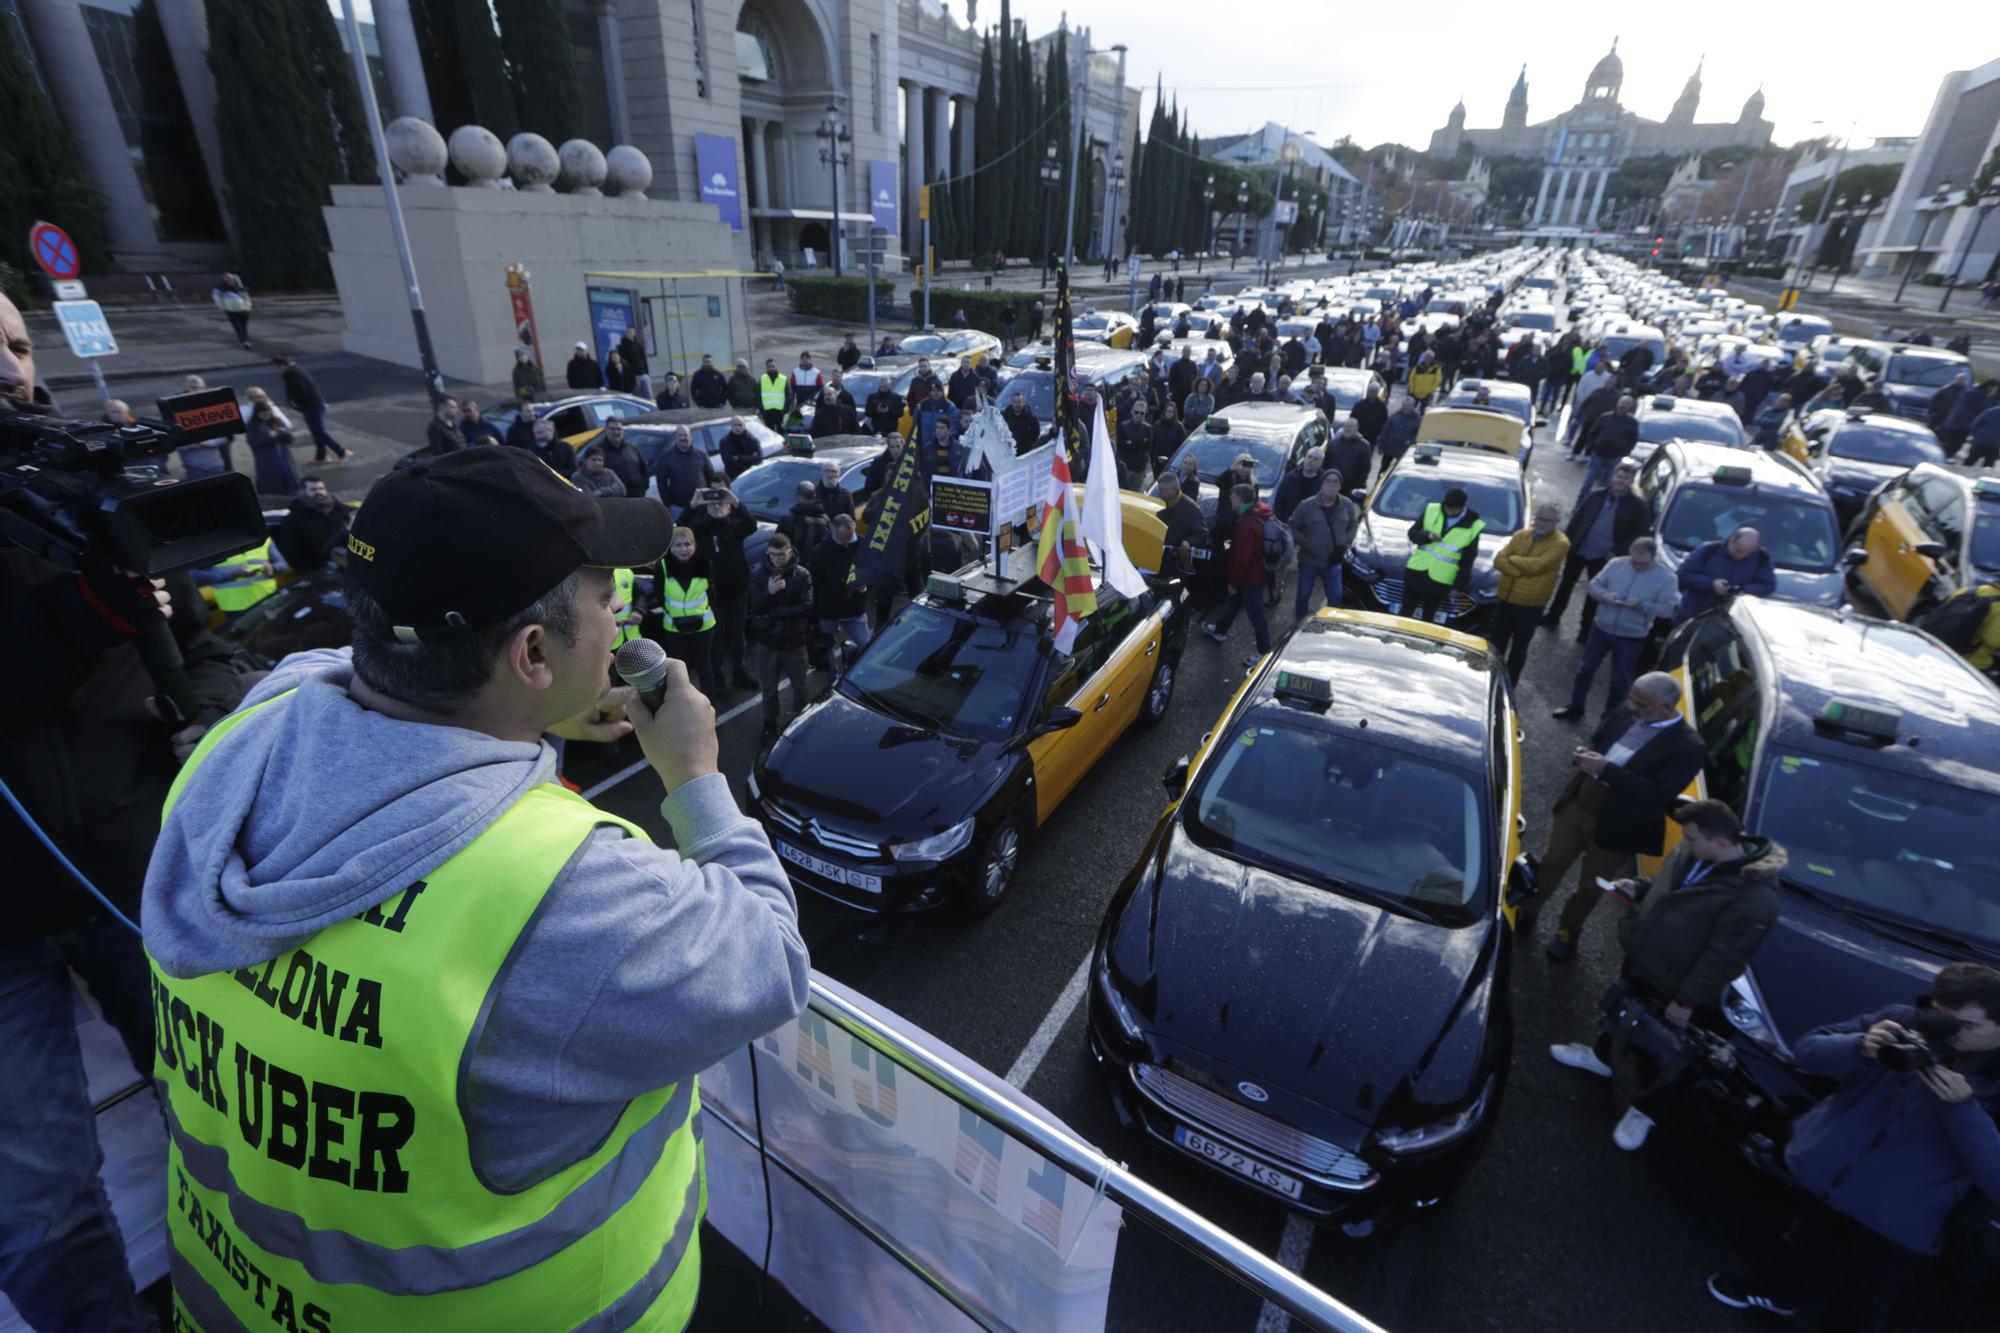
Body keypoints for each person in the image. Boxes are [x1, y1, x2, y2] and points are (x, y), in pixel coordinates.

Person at [140, 447, 808, 1331]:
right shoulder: (573, 895)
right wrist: (693, 775)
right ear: (531, 650)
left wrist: (533, 715)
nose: (623, 616)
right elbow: (771, 960)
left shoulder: (247, 737)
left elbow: (381, 697)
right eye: (607, 597)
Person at [1, 293, 244, 1333]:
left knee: (226, 1115)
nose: (9, 367)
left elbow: (203, 644)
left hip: (138, 877)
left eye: (14, 342)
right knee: (38, 1202)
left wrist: (218, 711)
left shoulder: (80, 490)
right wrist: (78, 622)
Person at [1707, 963, 2000, 1331]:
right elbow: (1807, 1051)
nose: (1946, 1032)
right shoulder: (1902, 1021)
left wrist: (1963, 1110)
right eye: (1939, 1017)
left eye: (1966, 1026)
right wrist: (1861, 1046)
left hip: (1902, 1220)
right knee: (1799, 1245)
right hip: (1833, 1181)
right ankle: (1776, 1294)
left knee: (1865, 1299)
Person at [1549, 799, 1783, 1149]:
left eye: (1691, 839)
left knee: (1666, 1051)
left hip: (1678, 984)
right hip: (1646, 960)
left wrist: (1686, 1000)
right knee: (1622, 1010)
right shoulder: (1699, 851)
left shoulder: (1756, 898)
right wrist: (1640, 887)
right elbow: (1667, 883)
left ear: (1721, 841)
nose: (1684, 844)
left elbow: (1724, 957)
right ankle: (1601, 1058)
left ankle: (1646, 1110)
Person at [1537, 670, 1709, 959]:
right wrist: (1585, 754)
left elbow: (1658, 794)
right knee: (1550, 864)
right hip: (1577, 806)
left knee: (1591, 886)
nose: (1631, 708)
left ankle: (1567, 931)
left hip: (1615, 826)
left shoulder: (1689, 747)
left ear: (1666, 707)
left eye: (1640, 705)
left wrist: (1606, 770)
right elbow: (1599, 738)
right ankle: (1526, 910)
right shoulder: (1631, 710)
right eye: (1631, 700)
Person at [1553, 536, 1679, 722]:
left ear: (1653, 557)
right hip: (1602, 628)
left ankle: (1610, 718)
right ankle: (1576, 706)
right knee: (1585, 670)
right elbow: (1594, 585)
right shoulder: (1616, 564)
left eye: (1642, 564)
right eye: (1634, 561)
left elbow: (1667, 610)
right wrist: (1605, 596)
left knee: (1619, 681)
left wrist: (1642, 606)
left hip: (1632, 636)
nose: (1637, 565)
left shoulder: (1667, 578)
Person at [1546, 462, 1649, 639]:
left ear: (1631, 481)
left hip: (1605, 556)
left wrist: (1617, 551)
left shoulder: (1637, 506)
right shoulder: (1596, 496)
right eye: (1619, 476)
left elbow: (1640, 532)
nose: (1621, 481)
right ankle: (1552, 618)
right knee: (1565, 586)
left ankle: (1585, 630)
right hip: (1580, 549)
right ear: (1613, 476)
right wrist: (1566, 543)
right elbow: (1577, 519)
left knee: (1595, 594)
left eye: (1626, 478)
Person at [1486, 502, 1570, 682]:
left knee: (1518, 649)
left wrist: (1514, 559)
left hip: (1530, 605)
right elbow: (1499, 560)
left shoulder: (1561, 544)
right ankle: (1489, 679)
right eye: (1539, 519)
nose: (1542, 523)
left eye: (1547, 520)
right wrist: (1518, 569)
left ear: (1556, 522)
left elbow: (1537, 566)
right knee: (1495, 645)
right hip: (1506, 599)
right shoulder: (1520, 535)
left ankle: (1510, 684)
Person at [689, 488, 759, 692]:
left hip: (737, 590)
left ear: (728, 507)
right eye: (713, 504)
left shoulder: (735, 526)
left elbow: (752, 524)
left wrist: (736, 501)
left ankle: (739, 671)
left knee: (738, 634)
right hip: (714, 593)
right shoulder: (701, 527)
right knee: (717, 637)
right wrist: (693, 504)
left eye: (721, 504)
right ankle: (718, 675)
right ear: (706, 508)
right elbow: (683, 527)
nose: (717, 507)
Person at [749, 532, 814, 740]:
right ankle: (769, 723)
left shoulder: (802, 575)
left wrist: (775, 613)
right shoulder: (759, 574)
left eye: (780, 554)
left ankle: (800, 719)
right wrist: (769, 592)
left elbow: (806, 606)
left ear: (790, 551)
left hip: (794, 641)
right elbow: (754, 606)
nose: (776, 559)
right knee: (768, 687)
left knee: (800, 685)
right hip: (768, 641)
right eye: (772, 554)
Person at [1203, 483, 1275, 668]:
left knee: (1256, 614)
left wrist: (1234, 582)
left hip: (1250, 577)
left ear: (1241, 500)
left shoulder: (1246, 523)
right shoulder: (1258, 515)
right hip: (1256, 573)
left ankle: (1263, 652)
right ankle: (1219, 630)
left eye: (1233, 497)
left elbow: (1243, 558)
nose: (1231, 500)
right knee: (1234, 603)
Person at [1404, 485, 1485, 625]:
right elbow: (1413, 535)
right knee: (1404, 614)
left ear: (1462, 507)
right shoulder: (1432, 510)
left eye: (1453, 510)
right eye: (1447, 507)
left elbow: (1468, 560)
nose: (1449, 512)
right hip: (1416, 572)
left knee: (1428, 620)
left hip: (1440, 580)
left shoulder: (1473, 525)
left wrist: (1458, 586)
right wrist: (1427, 535)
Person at [650, 524, 716, 695]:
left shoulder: (704, 562)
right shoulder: (663, 567)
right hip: (674, 627)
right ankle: (683, 701)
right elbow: (659, 593)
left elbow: (712, 593)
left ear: (694, 545)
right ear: (671, 548)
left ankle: (710, 702)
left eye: (688, 544)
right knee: (679, 667)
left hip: (704, 626)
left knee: (704, 665)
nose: (684, 549)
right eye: (678, 545)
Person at [1289, 470, 1360, 619]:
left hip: (1333, 562)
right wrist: (1307, 542)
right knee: (1303, 596)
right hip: (1309, 560)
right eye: (1328, 481)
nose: (1332, 485)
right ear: (1321, 484)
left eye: (1336, 482)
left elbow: (1353, 525)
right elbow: (1292, 527)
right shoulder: (1306, 506)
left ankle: (1330, 626)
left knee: (1336, 598)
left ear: (1340, 486)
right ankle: (1299, 625)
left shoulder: (1346, 504)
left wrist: (1345, 541)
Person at [810, 512, 871, 677]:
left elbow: (871, 570)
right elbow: (813, 584)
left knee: (866, 646)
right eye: (844, 537)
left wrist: (866, 585)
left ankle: (857, 672)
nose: (847, 541)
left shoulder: (861, 544)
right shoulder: (820, 553)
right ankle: (833, 678)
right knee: (827, 648)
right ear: (832, 531)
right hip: (829, 611)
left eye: (850, 536)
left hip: (855, 609)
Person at [1674, 526, 1776, 623]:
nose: (1741, 556)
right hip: (1694, 613)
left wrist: (1741, 589)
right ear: (1731, 541)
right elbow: (1683, 574)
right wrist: (1711, 583)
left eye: (1747, 554)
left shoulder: (1761, 557)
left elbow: (1768, 586)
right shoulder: (1708, 550)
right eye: (1738, 551)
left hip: (1733, 618)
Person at [273, 354, 348, 463]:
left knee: (318, 432)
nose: (276, 371)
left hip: (312, 406)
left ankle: (341, 451)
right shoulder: (294, 371)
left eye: (276, 368)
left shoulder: (291, 374)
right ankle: (321, 456)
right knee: (316, 431)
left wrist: (295, 403)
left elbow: (300, 390)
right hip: (314, 405)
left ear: (282, 365)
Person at [275, 475, 352, 573]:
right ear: (303, 492)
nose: (319, 492)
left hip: (348, 566)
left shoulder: (340, 510)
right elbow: (292, 553)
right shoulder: (294, 520)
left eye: (321, 488)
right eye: (313, 489)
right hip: (320, 571)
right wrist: (311, 574)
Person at [1578, 394, 1639, 499]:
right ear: (1618, 403)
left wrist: (1623, 453)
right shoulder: (1605, 417)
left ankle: (1604, 504)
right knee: (1589, 481)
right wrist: (1591, 448)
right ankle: (1580, 503)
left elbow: (1633, 440)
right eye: (1622, 402)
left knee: (1609, 484)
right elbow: (1592, 433)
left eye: (1626, 404)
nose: (1623, 405)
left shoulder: (1632, 423)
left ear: (1630, 407)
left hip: (1614, 457)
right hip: (1598, 454)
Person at [245, 393, 303, 495]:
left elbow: (289, 438)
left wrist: (283, 433)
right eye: (263, 414)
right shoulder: (252, 425)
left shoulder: (275, 421)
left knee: (290, 479)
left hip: (283, 456)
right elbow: (253, 442)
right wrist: (270, 436)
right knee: (272, 483)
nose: (266, 416)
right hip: (267, 458)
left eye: (268, 413)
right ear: (257, 413)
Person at [656, 424, 717, 518]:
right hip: (679, 507)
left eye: (685, 435)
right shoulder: (666, 457)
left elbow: (711, 476)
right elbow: (661, 482)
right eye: (680, 435)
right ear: (676, 437)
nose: (683, 438)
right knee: (682, 531)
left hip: (701, 505)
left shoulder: (701, 454)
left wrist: (711, 497)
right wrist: (667, 504)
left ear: (691, 437)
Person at [1152, 470, 1208, 573]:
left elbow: (1202, 534)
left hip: (1175, 563)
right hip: (1154, 557)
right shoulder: (1157, 503)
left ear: (1173, 490)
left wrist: (1189, 542)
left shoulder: (1191, 508)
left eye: (1162, 490)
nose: (1159, 492)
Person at [593, 417, 649, 496]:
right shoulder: (598, 451)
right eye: (612, 429)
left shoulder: (632, 447)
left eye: (619, 429)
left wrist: (643, 487)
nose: (616, 432)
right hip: (614, 501)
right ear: (606, 430)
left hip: (637, 498)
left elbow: (645, 470)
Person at [1273, 446, 1326, 522]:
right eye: (1309, 457)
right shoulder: (1290, 478)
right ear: (1305, 458)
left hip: (1312, 526)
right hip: (1289, 523)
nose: (1311, 460)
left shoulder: (1325, 481)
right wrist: (1282, 521)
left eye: (1316, 459)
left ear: (1321, 463)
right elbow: (1279, 501)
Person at [1326, 419, 1373, 498]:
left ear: (1356, 428)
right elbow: (1325, 463)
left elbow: (1366, 468)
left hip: (1350, 488)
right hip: (1332, 484)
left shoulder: (1364, 446)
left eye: (1351, 427)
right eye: (1346, 426)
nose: (1348, 429)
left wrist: (1358, 485)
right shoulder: (1334, 443)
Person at [1378, 394, 1422, 472]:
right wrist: (1381, 446)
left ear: (1413, 406)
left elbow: (1419, 435)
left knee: (1400, 470)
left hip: (1404, 450)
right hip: (1390, 448)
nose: (1405, 407)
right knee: (1384, 468)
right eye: (1404, 405)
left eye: (1408, 405)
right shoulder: (1395, 415)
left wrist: (1411, 442)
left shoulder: (1418, 419)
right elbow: (1385, 431)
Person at [212, 272, 254, 346]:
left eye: (231, 278)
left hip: (244, 310)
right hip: (231, 311)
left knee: (243, 326)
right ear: (224, 280)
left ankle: (245, 339)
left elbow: (246, 296)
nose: (229, 280)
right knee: (237, 327)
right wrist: (223, 308)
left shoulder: (239, 286)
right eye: (227, 279)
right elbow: (217, 299)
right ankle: (245, 341)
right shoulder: (220, 288)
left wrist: (248, 306)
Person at [618, 325, 652, 399]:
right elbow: (623, 362)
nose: (629, 334)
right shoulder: (622, 346)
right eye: (628, 332)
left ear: (634, 333)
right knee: (638, 397)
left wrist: (646, 373)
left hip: (643, 375)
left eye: (631, 332)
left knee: (649, 396)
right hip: (634, 376)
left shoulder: (638, 345)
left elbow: (643, 360)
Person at [758, 356, 790, 431]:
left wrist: (784, 410)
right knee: (769, 435)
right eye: (769, 366)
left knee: (781, 434)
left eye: (773, 366)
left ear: (775, 366)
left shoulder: (783, 378)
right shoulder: (762, 379)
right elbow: (758, 397)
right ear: (767, 368)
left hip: (780, 413)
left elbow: (788, 396)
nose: (772, 368)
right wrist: (762, 411)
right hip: (767, 413)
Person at [1969, 393, 2000, 468]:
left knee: (1988, 466)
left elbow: (1975, 424)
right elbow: (1976, 424)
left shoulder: (1990, 411)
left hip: (1993, 445)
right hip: (1981, 442)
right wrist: (1975, 436)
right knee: (1971, 461)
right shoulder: (1991, 412)